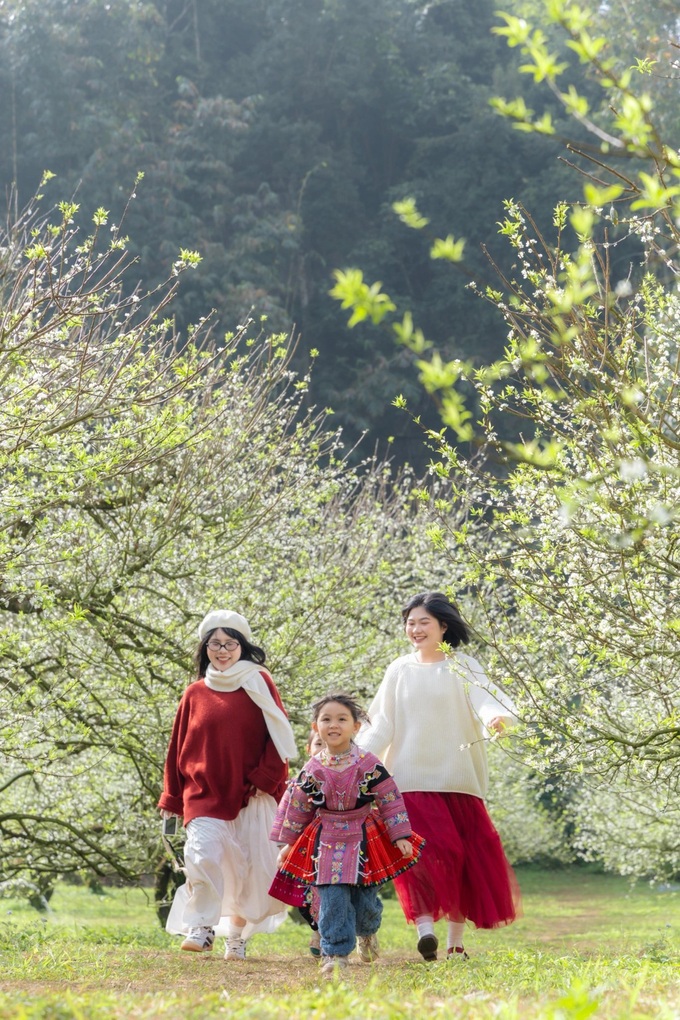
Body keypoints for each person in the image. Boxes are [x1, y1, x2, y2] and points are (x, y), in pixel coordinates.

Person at [357, 591, 520, 962]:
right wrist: (359, 761)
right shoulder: (399, 669)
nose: (415, 629)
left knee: (460, 858)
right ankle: (425, 930)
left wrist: (496, 719)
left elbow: (487, 700)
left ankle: (455, 943)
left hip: (458, 780)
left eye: (423, 622)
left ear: (443, 626)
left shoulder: (463, 666)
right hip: (409, 780)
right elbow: (382, 722)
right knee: (419, 857)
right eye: (410, 623)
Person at [158, 609, 297, 961]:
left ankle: (236, 936)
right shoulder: (193, 693)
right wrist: (173, 798)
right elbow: (177, 748)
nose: (222, 651)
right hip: (203, 793)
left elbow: (277, 737)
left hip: (252, 794)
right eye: (215, 644)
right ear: (205, 647)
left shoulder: (259, 682)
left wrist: (265, 780)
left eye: (230, 643)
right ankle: (202, 928)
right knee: (202, 855)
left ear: (243, 646)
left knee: (249, 872)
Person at [270, 693, 425, 978]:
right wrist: (287, 845)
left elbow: (390, 798)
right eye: (326, 719)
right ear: (316, 727)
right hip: (326, 838)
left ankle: (367, 932)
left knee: (365, 900)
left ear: (356, 727)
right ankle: (336, 953)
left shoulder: (369, 763)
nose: (334, 725)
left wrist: (399, 834)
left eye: (342, 719)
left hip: (365, 835)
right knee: (332, 898)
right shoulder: (313, 768)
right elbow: (298, 807)